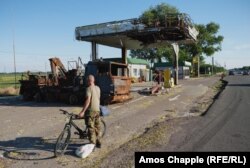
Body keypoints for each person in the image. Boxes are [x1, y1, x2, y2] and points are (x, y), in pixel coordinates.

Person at [78, 75, 102, 148]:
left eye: (87, 80)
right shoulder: (98, 88)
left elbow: (88, 100)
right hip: (97, 110)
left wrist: (82, 112)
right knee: (97, 127)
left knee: (91, 129)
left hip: (90, 111)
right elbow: (98, 98)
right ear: (93, 80)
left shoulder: (88, 89)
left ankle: (92, 145)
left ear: (88, 81)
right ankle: (99, 142)